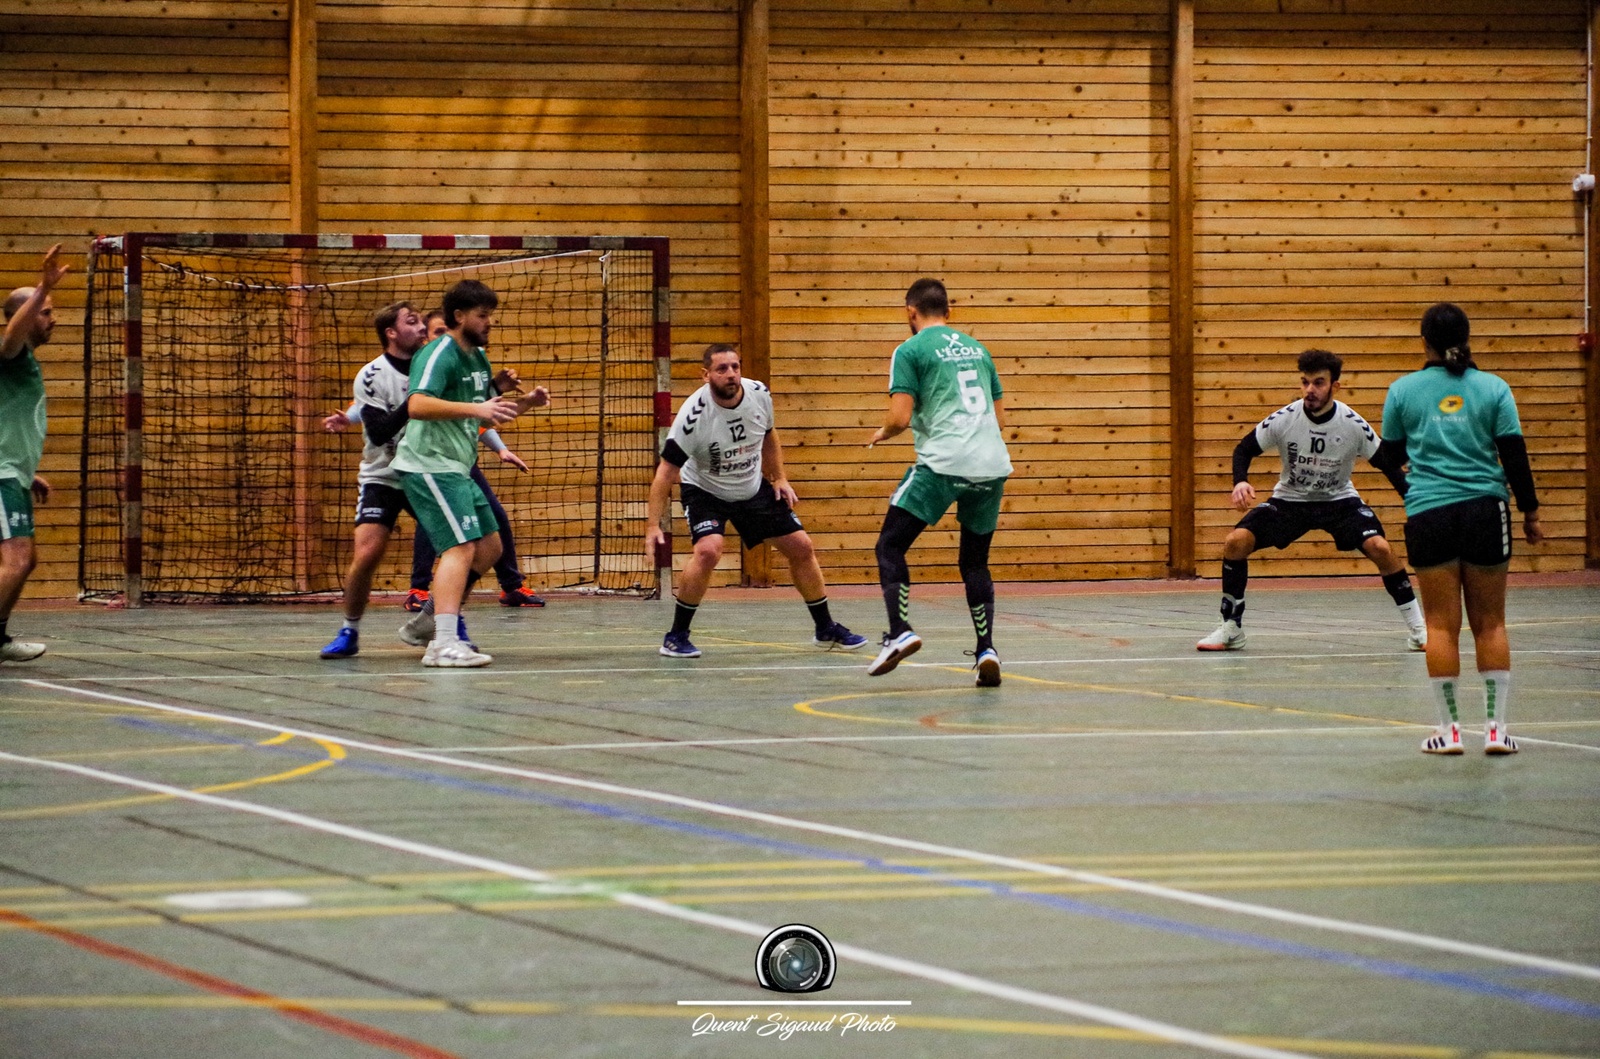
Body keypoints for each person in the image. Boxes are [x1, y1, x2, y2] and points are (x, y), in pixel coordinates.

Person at [1380, 303, 1543, 755]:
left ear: (1424, 342)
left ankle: (1449, 732)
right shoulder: (1493, 388)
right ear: (1467, 339)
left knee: (1439, 626)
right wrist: (1530, 512)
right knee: (1490, 624)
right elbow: (1514, 455)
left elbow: (1389, 456)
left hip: (1429, 514)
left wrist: (1418, 470)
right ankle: (1495, 731)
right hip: (1485, 512)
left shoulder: (1402, 390)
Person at [643, 343, 866, 658]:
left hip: (749, 486)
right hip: (706, 490)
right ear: (705, 375)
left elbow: (769, 434)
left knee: (802, 547)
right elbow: (665, 473)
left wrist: (779, 477)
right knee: (708, 551)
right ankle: (676, 636)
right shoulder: (693, 418)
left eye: (735, 367)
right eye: (722, 369)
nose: (731, 374)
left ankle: (825, 628)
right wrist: (653, 525)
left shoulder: (759, 394)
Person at [1196, 349, 1424, 653]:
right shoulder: (1286, 418)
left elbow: (1388, 464)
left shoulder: (1351, 423)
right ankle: (1231, 627)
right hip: (1290, 501)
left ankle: (1418, 629)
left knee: (1380, 548)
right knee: (1236, 542)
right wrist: (1240, 480)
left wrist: (1414, 502)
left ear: (1334, 386)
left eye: (1318, 383)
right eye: (1305, 382)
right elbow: (1244, 449)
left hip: (1339, 500)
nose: (1310, 390)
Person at [390, 279, 549, 667]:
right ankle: (443, 644)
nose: (489, 322)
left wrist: (525, 403)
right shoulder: (438, 354)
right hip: (429, 465)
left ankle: (428, 621)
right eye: (482, 315)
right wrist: (477, 409)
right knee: (460, 548)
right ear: (459, 316)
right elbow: (418, 405)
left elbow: (482, 415)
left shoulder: (478, 359)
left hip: (457, 466)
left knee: (491, 547)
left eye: (491, 315)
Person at [865, 278, 1012, 687]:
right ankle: (986, 649)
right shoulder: (978, 349)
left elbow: (899, 417)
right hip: (991, 463)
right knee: (974, 562)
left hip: (945, 462)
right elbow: (1000, 419)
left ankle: (899, 631)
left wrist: (883, 432)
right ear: (949, 311)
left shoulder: (910, 350)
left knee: (890, 546)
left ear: (910, 312)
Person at [315, 301, 429, 658]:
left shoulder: (432, 366)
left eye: (422, 321)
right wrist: (415, 401)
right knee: (367, 553)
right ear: (391, 333)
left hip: (427, 473)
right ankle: (349, 630)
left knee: (467, 549)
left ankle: (440, 621)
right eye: (412, 322)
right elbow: (379, 432)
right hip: (384, 475)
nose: (422, 327)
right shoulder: (372, 374)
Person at [0, 245, 67, 664]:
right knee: (17, 559)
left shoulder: (24, 364)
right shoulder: (11, 352)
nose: (52, 318)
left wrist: (30, 472)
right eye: (45, 311)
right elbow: (10, 337)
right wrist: (42, 286)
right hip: (2, 475)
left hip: (15, 474)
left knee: (26, 561)